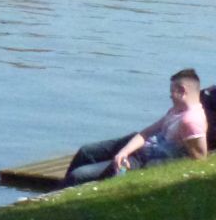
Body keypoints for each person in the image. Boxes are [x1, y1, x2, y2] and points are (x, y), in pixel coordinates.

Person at [62, 68, 208, 187]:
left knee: (79, 175)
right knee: (86, 151)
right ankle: (59, 190)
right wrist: (124, 152)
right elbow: (147, 132)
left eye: (172, 92)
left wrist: (128, 161)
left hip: (144, 159)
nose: (170, 96)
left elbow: (199, 158)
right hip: (139, 146)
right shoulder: (177, 111)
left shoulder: (190, 121)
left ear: (182, 91)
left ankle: (63, 198)